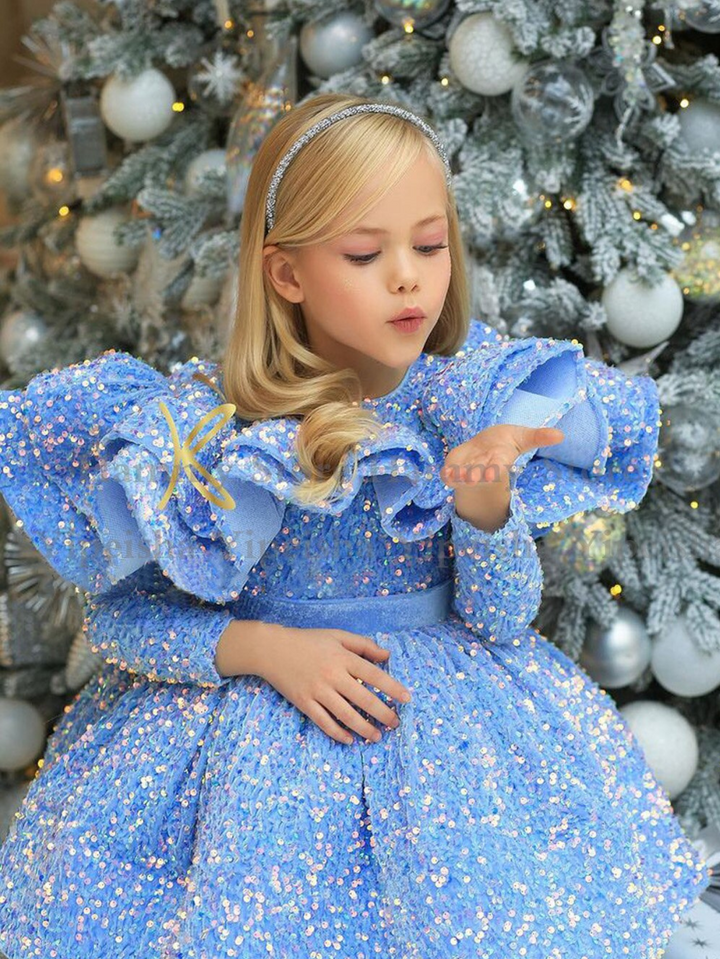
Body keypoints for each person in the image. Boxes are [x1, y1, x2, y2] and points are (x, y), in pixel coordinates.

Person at [0, 91, 710, 959]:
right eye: (366, 254)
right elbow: (123, 623)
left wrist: (485, 504)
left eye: (430, 245)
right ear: (287, 274)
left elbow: (499, 619)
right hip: (249, 778)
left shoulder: (460, 403)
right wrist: (261, 648)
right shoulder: (208, 431)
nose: (409, 277)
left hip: (445, 754)